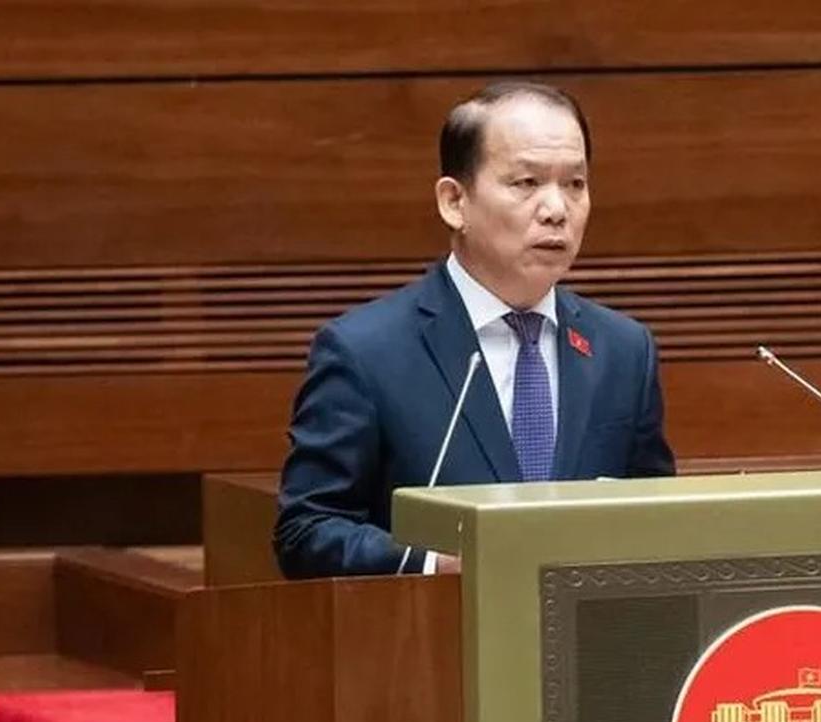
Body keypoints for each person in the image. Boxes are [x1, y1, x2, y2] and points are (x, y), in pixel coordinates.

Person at [274, 81, 676, 578]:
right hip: (435, 623)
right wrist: (436, 566)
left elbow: (659, 524)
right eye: (526, 183)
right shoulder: (365, 353)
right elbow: (307, 530)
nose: (557, 209)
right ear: (454, 202)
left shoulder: (624, 351)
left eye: (575, 184)